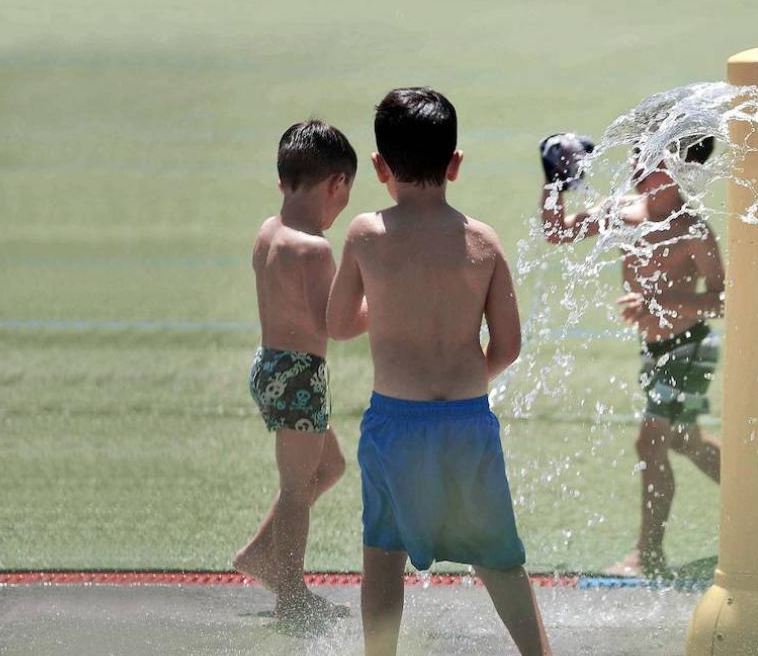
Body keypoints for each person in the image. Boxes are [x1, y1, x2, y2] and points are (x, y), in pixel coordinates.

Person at [328, 87, 551, 656]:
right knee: (498, 556)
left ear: (380, 167)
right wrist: (471, 378)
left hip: (396, 423)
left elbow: (337, 322)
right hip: (466, 421)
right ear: (455, 163)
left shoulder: (364, 235)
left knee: (383, 553)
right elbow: (509, 345)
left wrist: (388, 301)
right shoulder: (482, 241)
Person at [539, 132, 724, 577]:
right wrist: (553, 185)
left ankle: (649, 555)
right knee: (685, 441)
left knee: (652, 441)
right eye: (637, 156)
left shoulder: (691, 230)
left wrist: (663, 305)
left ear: (683, 171)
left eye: (653, 160)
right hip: (655, 347)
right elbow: (557, 233)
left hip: (690, 346)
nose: (638, 166)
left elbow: (722, 298)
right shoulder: (623, 213)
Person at [235, 119, 356, 627]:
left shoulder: (270, 230)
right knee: (295, 486)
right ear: (337, 186)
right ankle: (291, 594)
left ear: (283, 179)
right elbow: (334, 322)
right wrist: (378, 303)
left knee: (327, 469)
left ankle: (261, 555)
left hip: (270, 366)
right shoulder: (315, 249)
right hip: (300, 375)